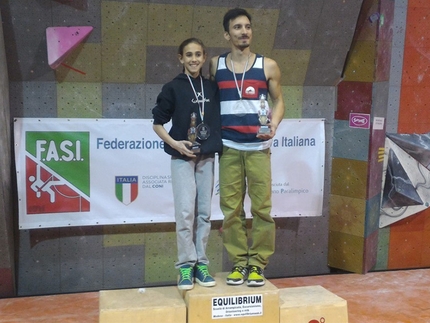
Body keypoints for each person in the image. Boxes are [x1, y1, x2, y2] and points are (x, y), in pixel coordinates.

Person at [209, 8, 285, 287]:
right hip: (228, 147)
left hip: (258, 148)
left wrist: (274, 124)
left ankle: (257, 265)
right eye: (238, 27)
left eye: (248, 27)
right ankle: (240, 263)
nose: (244, 32)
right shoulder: (215, 65)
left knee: (262, 209)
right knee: (231, 211)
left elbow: (279, 101)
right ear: (227, 34)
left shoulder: (268, 65)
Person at [153, 37, 222, 290]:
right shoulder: (173, 87)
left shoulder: (212, 88)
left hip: (207, 156)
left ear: (204, 58)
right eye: (188, 55)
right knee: (185, 212)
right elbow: (157, 123)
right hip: (182, 157)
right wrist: (175, 143)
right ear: (180, 58)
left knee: (204, 212)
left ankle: (201, 264)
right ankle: (185, 266)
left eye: (198, 55)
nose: (193, 59)